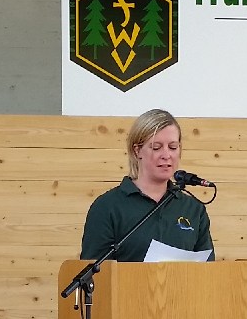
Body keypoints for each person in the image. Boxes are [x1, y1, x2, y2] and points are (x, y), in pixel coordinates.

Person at [80, 108, 215, 262]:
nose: (166, 155)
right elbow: (93, 270)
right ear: (137, 151)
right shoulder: (107, 207)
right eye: (156, 147)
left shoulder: (193, 209)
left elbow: (208, 269)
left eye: (173, 147)